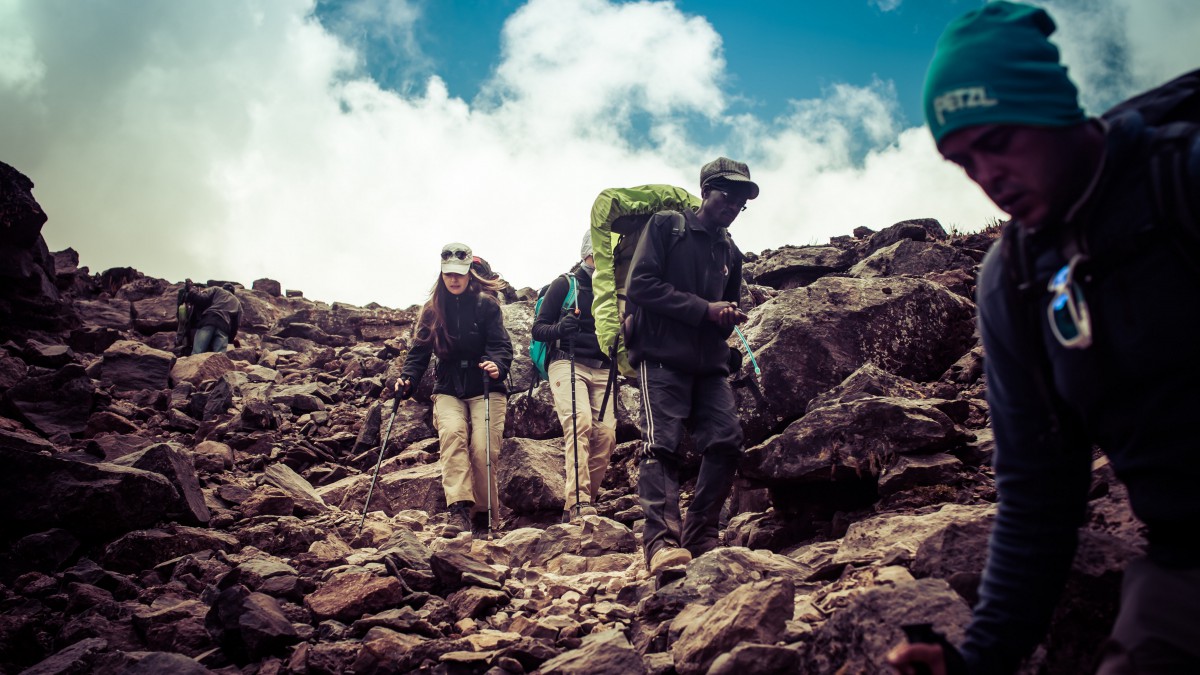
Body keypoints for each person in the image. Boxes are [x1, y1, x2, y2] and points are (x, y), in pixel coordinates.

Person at [888, 3, 1200, 674]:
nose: (987, 177)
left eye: (998, 140)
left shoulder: (1183, 179)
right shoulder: (1016, 281)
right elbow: (1038, 493)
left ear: (1052, 107)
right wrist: (978, 658)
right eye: (962, 160)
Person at [626, 157, 755, 575]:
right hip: (661, 356)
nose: (734, 204)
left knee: (726, 441)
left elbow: (725, 305)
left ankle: (700, 535)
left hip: (709, 364)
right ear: (705, 191)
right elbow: (641, 286)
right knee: (660, 446)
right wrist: (705, 310)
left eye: (741, 199)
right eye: (727, 194)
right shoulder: (667, 226)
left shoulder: (730, 250)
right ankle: (661, 544)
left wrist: (727, 316)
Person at [387, 242, 513, 536]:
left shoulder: (487, 305)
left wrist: (497, 364)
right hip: (448, 387)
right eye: (448, 274)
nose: (454, 279)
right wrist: (407, 379)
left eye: (459, 273)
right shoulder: (432, 310)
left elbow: (501, 345)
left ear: (469, 272)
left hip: (486, 385)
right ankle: (459, 510)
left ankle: (483, 515)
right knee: (453, 437)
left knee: (484, 449)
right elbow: (419, 353)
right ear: (442, 275)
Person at [531, 232, 616, 521]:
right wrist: (559, 329)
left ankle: (581, 505)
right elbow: (538, 329)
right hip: (566, 362)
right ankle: (579, 502)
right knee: (579, 423)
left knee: (606, 435)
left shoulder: (615, 288)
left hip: (604, 368)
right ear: (588, 253)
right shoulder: (564, 284)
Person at [181, 281, 242, 354]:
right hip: (224, 328)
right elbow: (235, 325)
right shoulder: (237, 303)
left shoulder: (217, 290)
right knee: (220, 357)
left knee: (197, 352)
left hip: (208, 321)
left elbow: (201, 299)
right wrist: (230, 339)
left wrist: (191, 289)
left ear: (223, 288)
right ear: (233, 292)